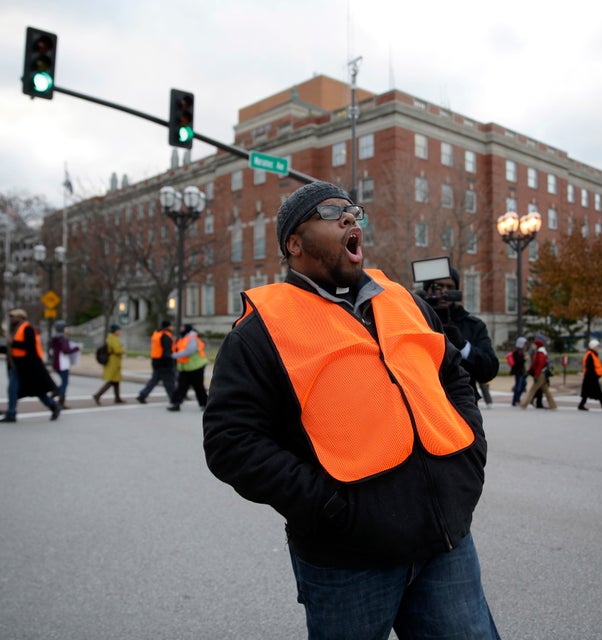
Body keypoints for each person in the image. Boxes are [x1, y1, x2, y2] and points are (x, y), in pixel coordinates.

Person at [202, 181, 502, 639]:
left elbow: (452, 379)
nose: (349, 218)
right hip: (348, 561)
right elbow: (231, 442)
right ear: (294, 245)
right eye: (329, 212)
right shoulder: (261, 330)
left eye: (353, 211)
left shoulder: (406, 303)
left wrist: (468, 461)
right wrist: (329, 507)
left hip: (445, 542)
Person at [420, 267, 499, 409]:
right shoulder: (414, 318)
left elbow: (489, 370)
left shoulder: (473, 325)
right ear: (428, 290)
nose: (444, 291)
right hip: (423, 403)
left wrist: (464, 347)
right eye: (438, 286)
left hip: (461, 404)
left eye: (449, 287)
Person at [0, 309, 60, 423]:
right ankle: (11, 413)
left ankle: (53, 405)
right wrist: (0, 348)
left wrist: (12, 343)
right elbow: (14, 349)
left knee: (37, 391)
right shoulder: (15, 330)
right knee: (13, 389)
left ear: (20, 317)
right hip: (17, 366)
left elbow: (27, 346)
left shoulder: (27, 329)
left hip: (28, 367)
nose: (12, 319)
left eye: (13, 317)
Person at [136, 320, 179, 407]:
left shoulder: (157, 334)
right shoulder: (166, 336)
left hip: (156, 361)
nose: (172, 328)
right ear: (168, 327)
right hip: (164, 363)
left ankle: (142, 395)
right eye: (171, 326)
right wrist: (172, 362)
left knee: (154, 380)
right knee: (169, 382)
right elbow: (167, 352)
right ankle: (174, 399)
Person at [169, 323, 208, 412]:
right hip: (185, 368)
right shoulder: (183, 338)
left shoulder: (192, 338)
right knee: (181, 386)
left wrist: (174, 355)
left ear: (186, 328)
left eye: (182, 327)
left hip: (196, 367)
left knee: (198, 387)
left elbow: (190, 350)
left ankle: (205, 404)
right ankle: (176, 403)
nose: (180, 329)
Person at [49, 320, 80, 409]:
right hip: (62, 363)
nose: (67, 329)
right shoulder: (63, 339)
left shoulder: (54, 338)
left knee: (64, 382)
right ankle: (60, 401)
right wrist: (76, 348)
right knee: (65, 383)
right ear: (62, 329)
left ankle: (56, 394)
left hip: (56, 363)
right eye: (66, 328)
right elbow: (66, 350)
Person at [93, 324, 126, 405]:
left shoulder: (110, 337)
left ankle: (117, 398)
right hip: (113, 362)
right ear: (115, 331)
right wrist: (122, 349)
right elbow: (117, 350)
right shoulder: (114, 339)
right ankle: (98, 395)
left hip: (114, 362)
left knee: (116, 381)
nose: (120, 332)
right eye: (118, 330)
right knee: (112, 381)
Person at [521, 337, 556, 410]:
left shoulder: (541, 353)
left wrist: (536, 375)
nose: (533, 346)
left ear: (538, 346)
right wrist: (529, 371)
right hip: (541, 374)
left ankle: (524, 404)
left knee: (532, 390)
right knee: (546, 390)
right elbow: (534, 364)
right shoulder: (539, 353)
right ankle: (553, 405)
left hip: (540, 374)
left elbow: (540, 365)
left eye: (534, 344)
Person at [577, 339, 602, 412]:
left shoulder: (592, 354)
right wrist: (596, 375)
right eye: (597, 346)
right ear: (593, 347)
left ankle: (581, 405)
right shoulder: (590, 355)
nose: (598, 348)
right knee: (598, 392)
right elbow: (590, 367)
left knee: (586, 392)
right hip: (591, 377)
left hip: (590, 377)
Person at [509, 336, 528, 406]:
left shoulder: (521, 352)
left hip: (521, 372)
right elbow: (519, 362)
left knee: (523, 384)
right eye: (524, 344)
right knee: (518, 386)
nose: (525, 346)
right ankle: (516, 400)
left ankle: (516, 400)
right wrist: (524, 359)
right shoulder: (516, 352)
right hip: (518, 372)